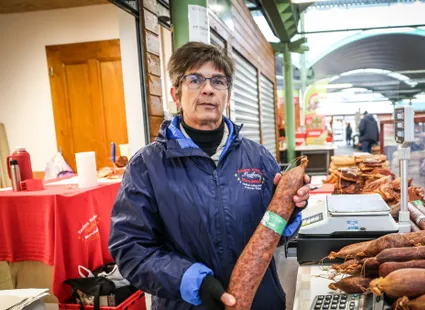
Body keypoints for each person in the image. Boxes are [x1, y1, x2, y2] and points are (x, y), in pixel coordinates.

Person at [108, 42, 310, 310]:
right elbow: (131, 250)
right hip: (186, 305)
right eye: (194, 79)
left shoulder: (259, 157)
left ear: (226, 94)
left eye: (218, 80)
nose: (208, 89)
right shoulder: (146, 166)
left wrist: (291, 209)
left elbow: (275, 232)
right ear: (176, 95)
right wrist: (192, 281)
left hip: (260, 301)